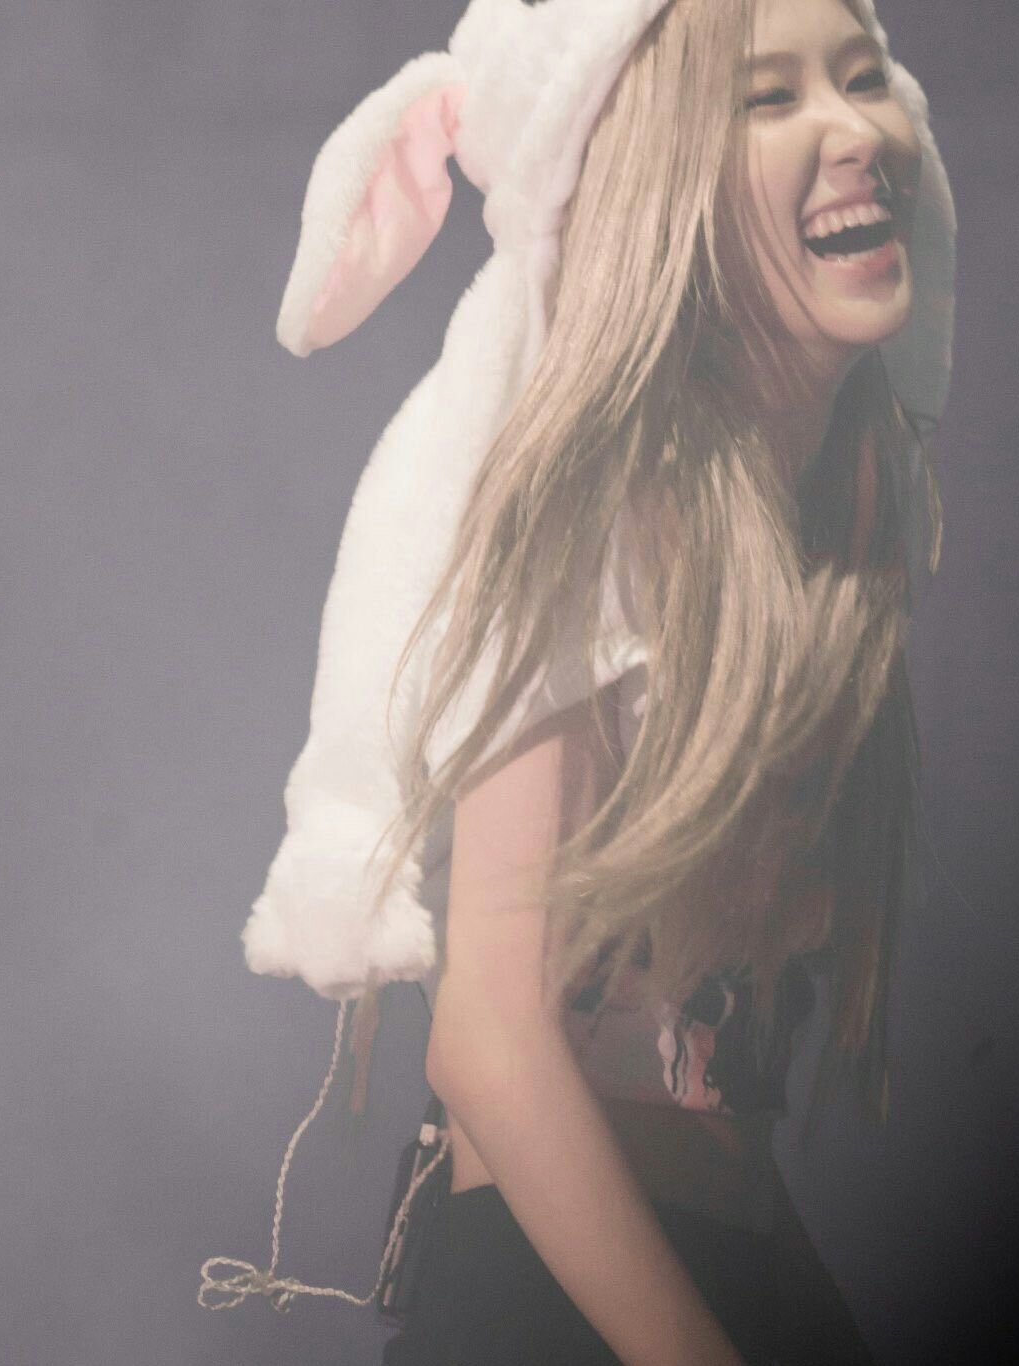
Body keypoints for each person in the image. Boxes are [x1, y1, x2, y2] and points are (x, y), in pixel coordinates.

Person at [204, 0, 956, 1361]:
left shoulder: (821, 532)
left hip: (703, 1256)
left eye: (862, 77)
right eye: (768, 96)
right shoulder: (594, 501)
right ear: (652, 172)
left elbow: (709, 1108)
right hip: (550, 1305)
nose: (857, 130)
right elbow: (486, 1035)